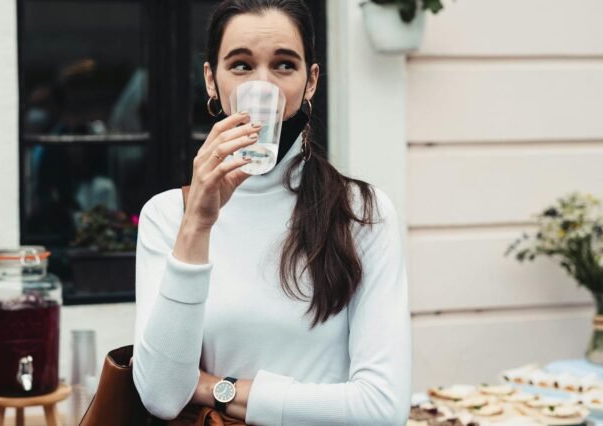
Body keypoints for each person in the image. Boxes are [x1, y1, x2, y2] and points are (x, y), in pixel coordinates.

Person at [133, 1, 411, 424]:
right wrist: (198, 225)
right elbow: (162, 395)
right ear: (212, 80)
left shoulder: (362, 213)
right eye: (241, 66)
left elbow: (381, 409)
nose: (264, 85)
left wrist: (216, 388)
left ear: (310, 81)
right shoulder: (169, 216)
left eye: (284, 65)